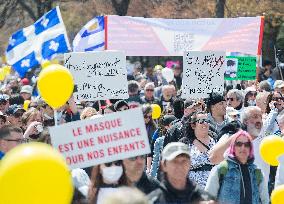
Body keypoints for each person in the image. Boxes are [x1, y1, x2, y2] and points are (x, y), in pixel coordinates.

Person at [205, 130, 269, 204]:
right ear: (233, 147)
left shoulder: (257, 172)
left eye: (247, 144)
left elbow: (265, 201)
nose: (243, 147)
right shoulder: (220, 170)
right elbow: (208, 199)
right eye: (239, 144)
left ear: (250, 148)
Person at [147, 142, 214, 204]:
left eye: (184, 161)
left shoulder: (205, 199)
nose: (180, 166)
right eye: (174, 161)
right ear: (163, 165)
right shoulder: (152, 201)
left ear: (190, 164)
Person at [183, 111, 216, 189]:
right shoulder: (185, 143)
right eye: (201, 121)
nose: (205, 123)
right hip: (193, 189)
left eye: (207, 121)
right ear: (193, 125)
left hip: (214, 186)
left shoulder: (215, 139)